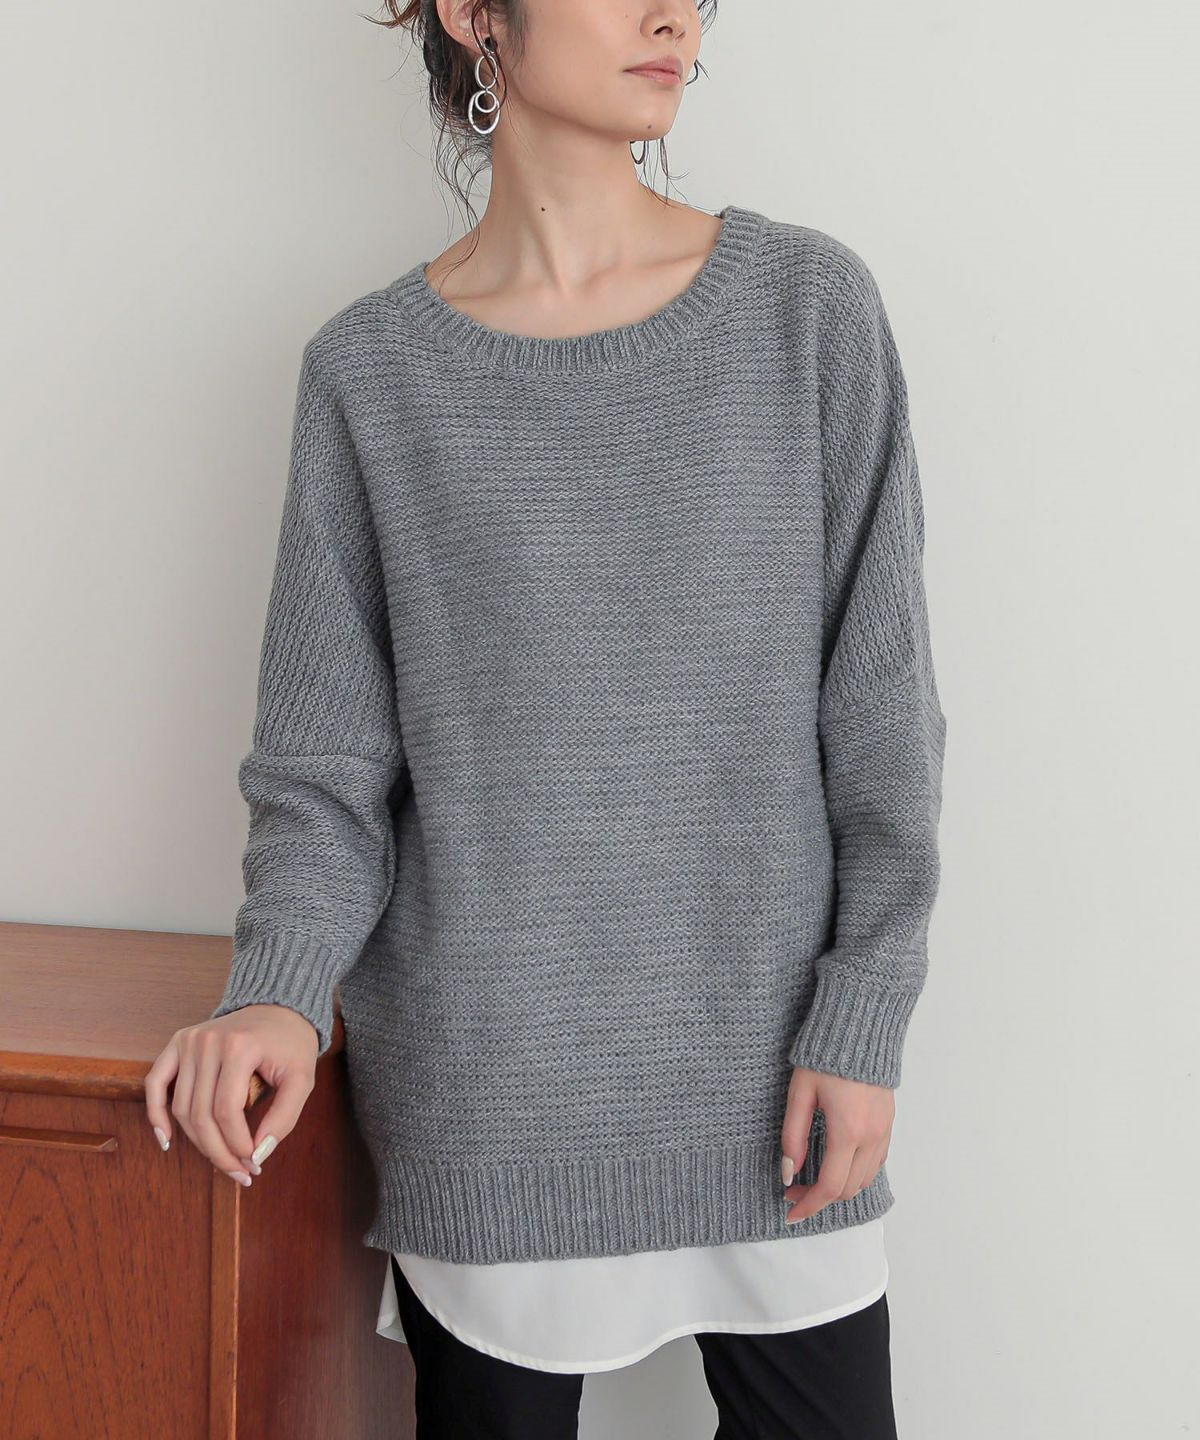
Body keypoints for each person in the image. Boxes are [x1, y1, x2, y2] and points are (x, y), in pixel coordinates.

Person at [143, 0, 948, 1435]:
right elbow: (327, 774)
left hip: (780, 1093)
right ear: (473, 13)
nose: (673, 14)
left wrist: (867, 1009)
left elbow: (883, 719)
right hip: (490, 1106)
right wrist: (277, 985)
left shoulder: (807, 312)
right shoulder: (372, 376)